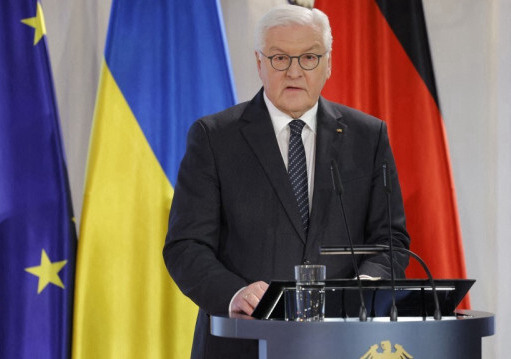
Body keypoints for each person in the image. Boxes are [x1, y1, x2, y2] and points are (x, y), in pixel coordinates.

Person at [163, 4, 410, 358]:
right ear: (259, 63)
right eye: (280, 58)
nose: (294, 71)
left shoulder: (368, 136)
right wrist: (235, 294)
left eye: (309, 57)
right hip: (242, 342)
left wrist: (365, 287)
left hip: (345, 344)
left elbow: (391, 239)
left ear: (328, 63)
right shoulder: (215, 138)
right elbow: (185, 246)